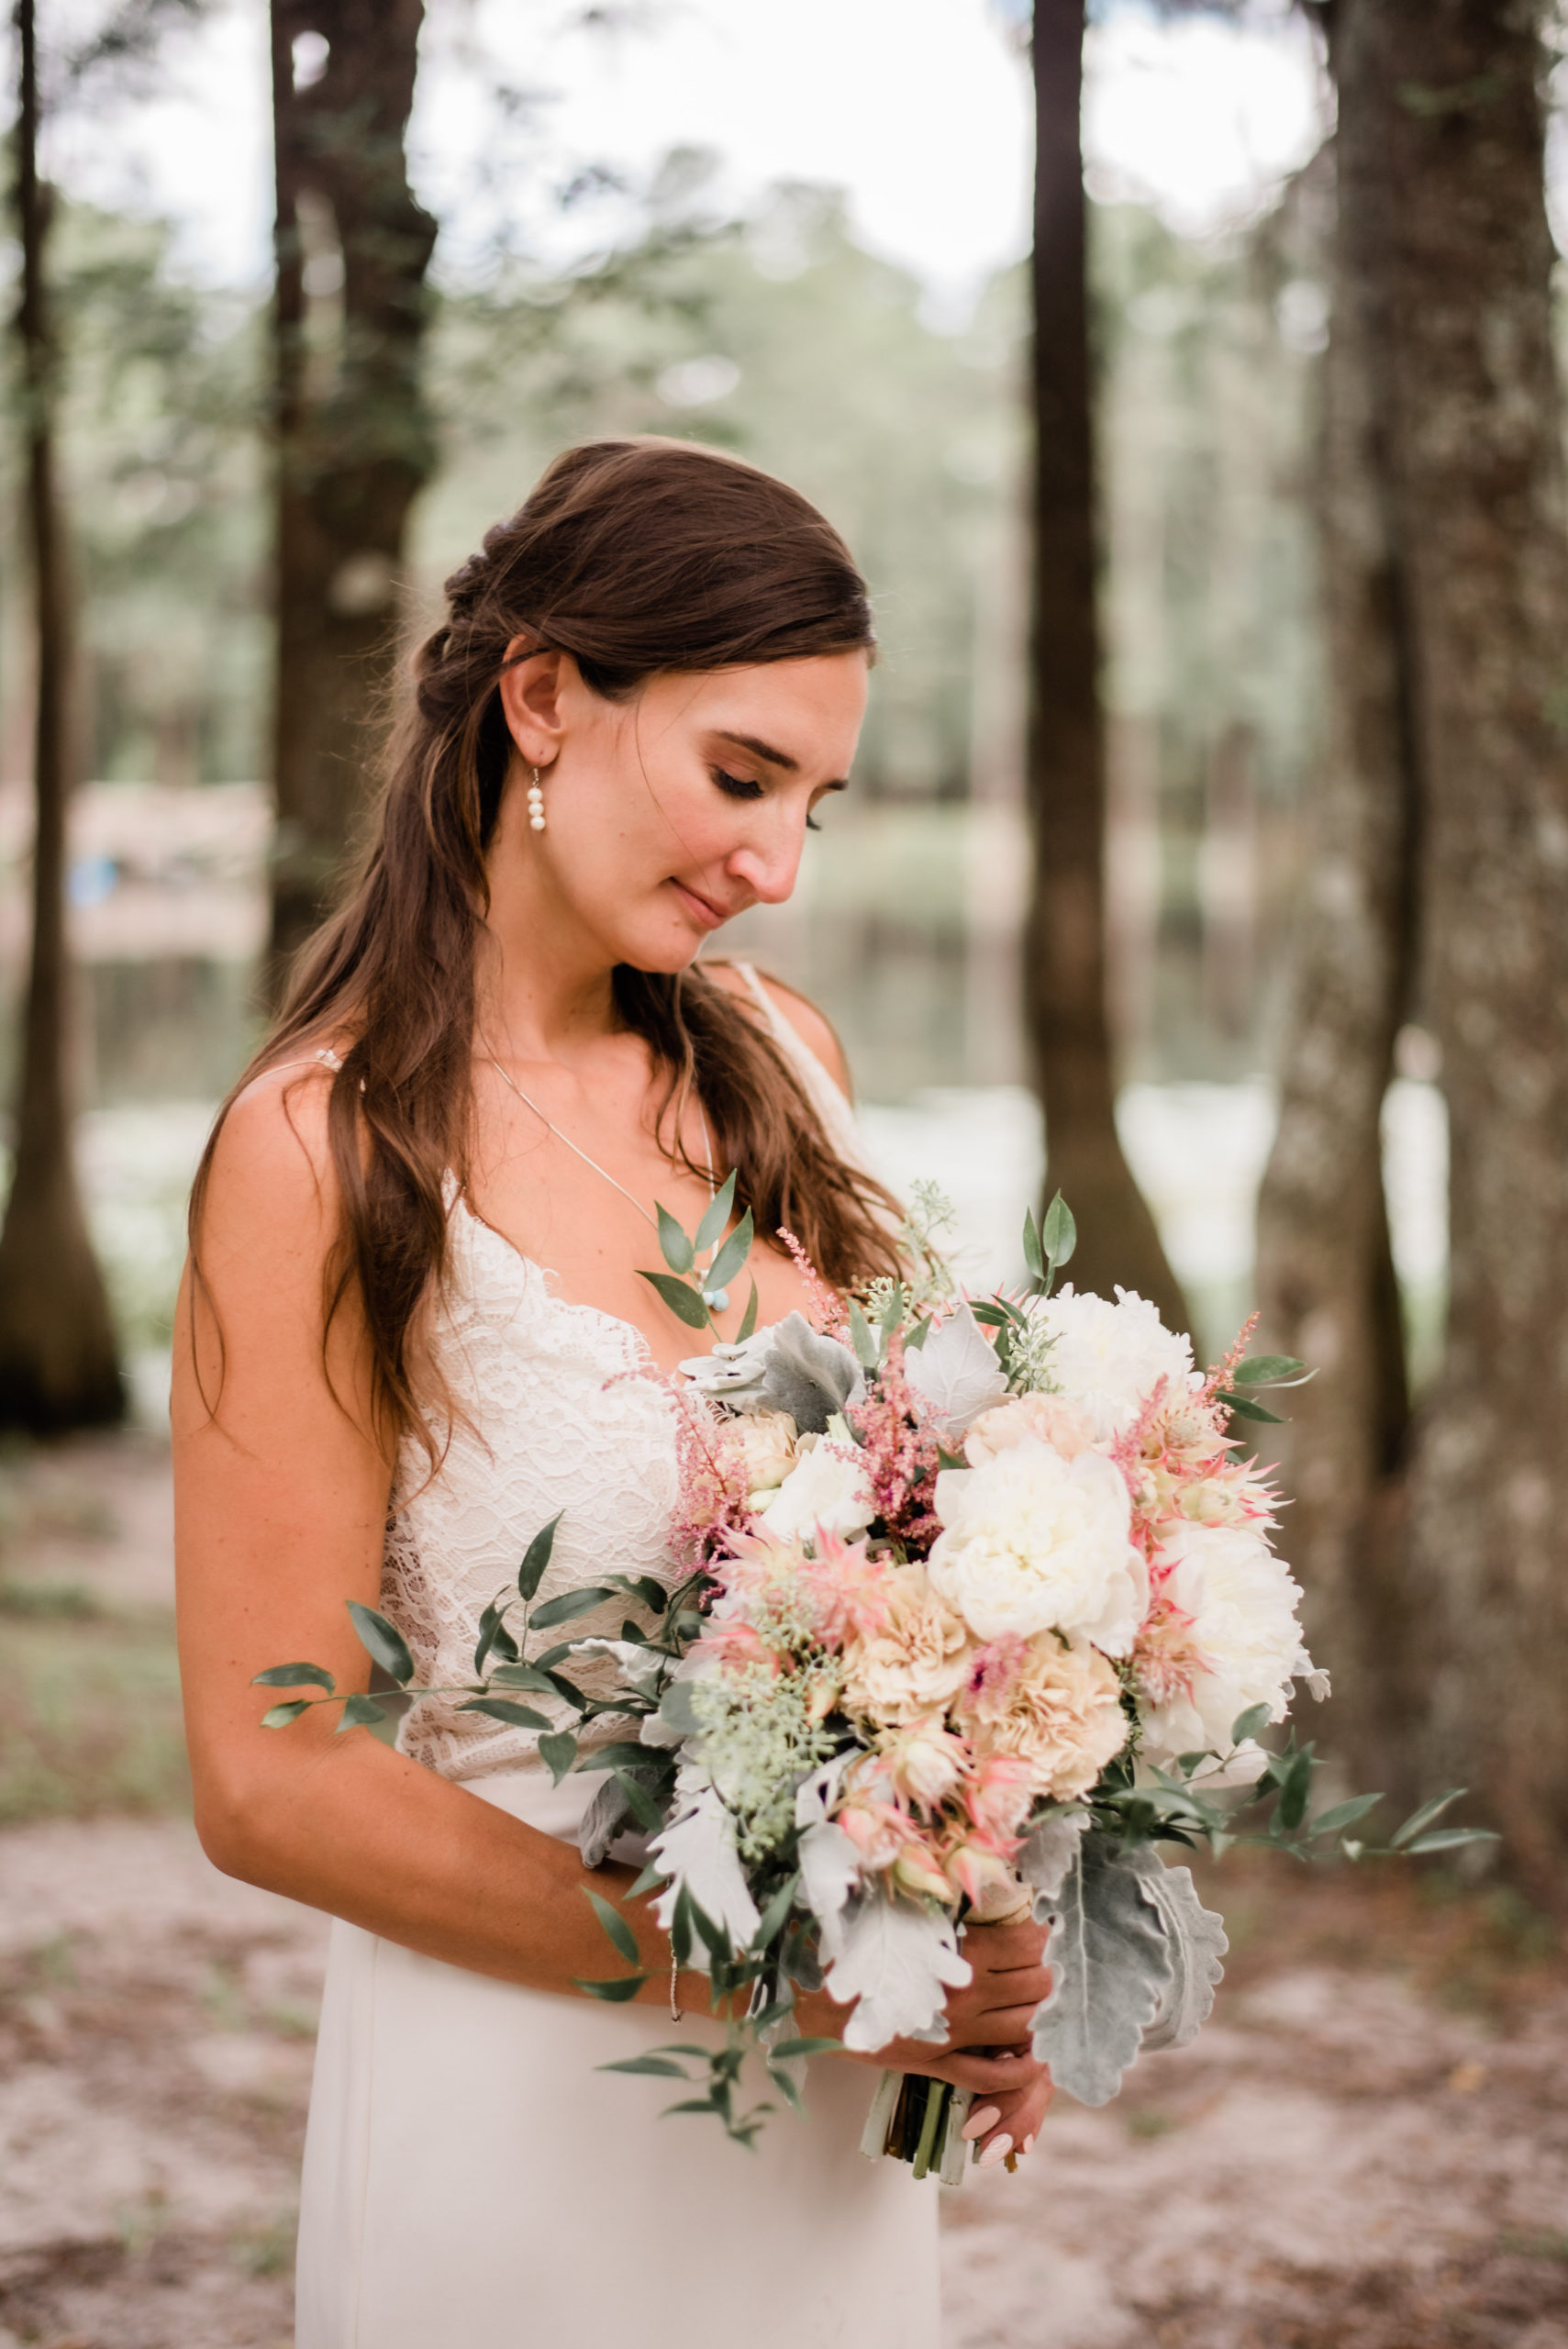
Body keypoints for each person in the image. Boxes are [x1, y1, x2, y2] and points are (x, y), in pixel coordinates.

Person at [174, 437, 1052, 2347]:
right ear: (546, 697)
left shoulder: (783, 1062)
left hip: (821, 2112)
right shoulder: (326, 1150)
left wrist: (971, 1878)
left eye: (814, 799)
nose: (777, 862)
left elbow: (910, 1554)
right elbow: (270, 1773)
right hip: (525, 2100)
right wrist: (732, 1972)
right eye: (742, 776)